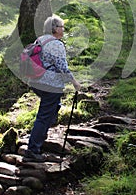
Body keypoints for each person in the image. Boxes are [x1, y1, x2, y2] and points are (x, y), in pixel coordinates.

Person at [25, 14, 81, 162]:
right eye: (62, 26)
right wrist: (74, 82)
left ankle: (39, 138)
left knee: (53, 108)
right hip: (50, 84)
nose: (63, 29)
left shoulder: (41, 40)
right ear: (55, 28)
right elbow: (62, 66)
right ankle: (33, 149)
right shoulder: (56, 44)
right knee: (44, 116)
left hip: (36, 81)